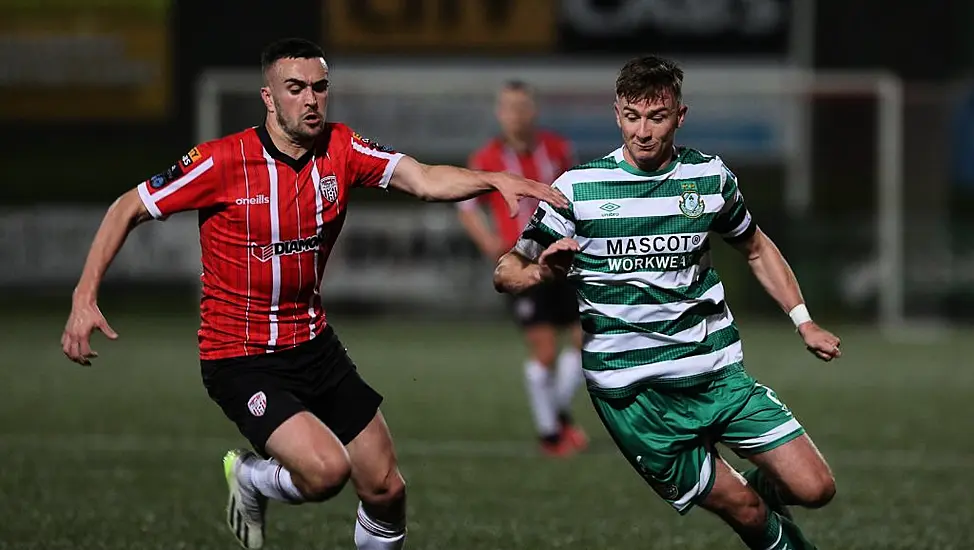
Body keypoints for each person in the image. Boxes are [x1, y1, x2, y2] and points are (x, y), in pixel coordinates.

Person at [60, 38, 566, 550]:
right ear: (268, 97)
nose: (311, 100)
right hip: (241, 356)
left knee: (386, 488)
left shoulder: (341, 148)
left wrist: (495, 179)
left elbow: (424, 178)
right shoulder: (221, 162)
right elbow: (128, 206)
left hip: (313, 343)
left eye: (320, 88)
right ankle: (253, 477)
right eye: (295, 88)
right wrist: (85, 297)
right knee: (327, 473)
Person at [492, 55, 841, 550]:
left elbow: (756, 246)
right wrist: (539, 273)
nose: (643, 131)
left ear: (680, 116)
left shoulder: (708, 177)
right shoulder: (579, 190)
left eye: (657, 118)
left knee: (817, 488)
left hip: (716, 375)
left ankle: (755, 490)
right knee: (745, 510)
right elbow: (506, 269)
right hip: (635, 398)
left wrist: (803, 321)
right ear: (617, 114)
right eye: (632, 116)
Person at [456, 80, 588, 457]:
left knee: (586, 342)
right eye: (509, 108)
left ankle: (557, 413)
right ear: (500, 114)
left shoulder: (558, 150)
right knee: (545, 350)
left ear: (534, 111)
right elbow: (466, 207)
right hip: (521, 264)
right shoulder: (486, 158)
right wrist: (487, 241)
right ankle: (550, 434)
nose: (516, 115)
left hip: (561, 260)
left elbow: (575, 195)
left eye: (523, 107)